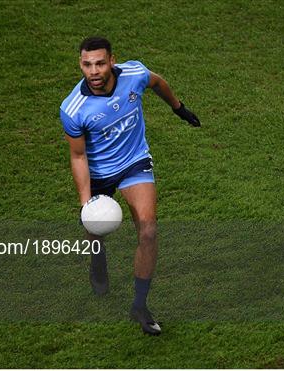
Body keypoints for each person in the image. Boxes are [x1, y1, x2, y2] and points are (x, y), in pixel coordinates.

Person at [60, 37, 200, 335]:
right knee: (94, 229)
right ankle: (98, 259)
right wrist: (87, 204)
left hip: (134, 162)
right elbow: (78, 154)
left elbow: (158, 82)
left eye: (100, 63)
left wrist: (179, 108)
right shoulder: (74, 108)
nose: (94, 71)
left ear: (112, 60)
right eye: (87, 64)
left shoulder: (134, 74)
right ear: (80, 64)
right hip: (98, 172)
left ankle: (139, 305)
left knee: (148, 230)